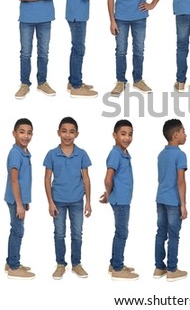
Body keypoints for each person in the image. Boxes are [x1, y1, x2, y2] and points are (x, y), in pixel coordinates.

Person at [43, 117, 92, 279]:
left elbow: (86, 178)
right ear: (58, 132)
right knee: (59, 233)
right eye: (64, 131)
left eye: (71, 132)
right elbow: (47, 179)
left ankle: (76, 264)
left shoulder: (82, 154)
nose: (67, 135)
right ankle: (60, 264)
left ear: (76, 134)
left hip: (77, 201)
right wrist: (50, 202)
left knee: (77, 233)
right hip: (58, 201)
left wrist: (88, 202)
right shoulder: (52, 154)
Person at [14, 0, 58, 99]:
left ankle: (42, 82)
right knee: (25, 52)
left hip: (45, 18)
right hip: (26, 19)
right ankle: (25, 83)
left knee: (43, 52)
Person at [99, 119, 139, 280]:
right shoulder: (115, 153)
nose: (127, 138)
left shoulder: (124, 153)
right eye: (123, 134)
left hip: (123, 199)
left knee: (120, 232)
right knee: (122, 232)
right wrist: (109, 193)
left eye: (130, 134)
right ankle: (117, 268)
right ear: (114, 135)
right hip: (120, 201)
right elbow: (108, 178)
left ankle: (115, 263)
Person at [66, 0, 101, 98]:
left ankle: (72, 81)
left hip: (82, 15)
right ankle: (77, 86)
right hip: (76, 15)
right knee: (79, 49)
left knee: (77, 48)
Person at [154, 119, 188, 282]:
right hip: (174, 201)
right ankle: (172, 269)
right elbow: (180, 180)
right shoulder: (180, 155)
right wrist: (183, 204)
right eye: (183, 132)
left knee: (161, 233)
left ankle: (159, 267)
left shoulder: (161, 154)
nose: (185, 135)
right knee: (173, 235)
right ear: (175, 135)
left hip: (160, 198)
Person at [4, 118, 35, 279]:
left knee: (15, 230)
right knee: (17, 231)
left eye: (29, 133)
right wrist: (19, 204)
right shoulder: (15, 153)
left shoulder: (25, 153)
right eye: (22, 132)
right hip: (15, 200)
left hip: (19, 200)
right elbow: (14, 179)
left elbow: (24, 180)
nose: (26, 136)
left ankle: (10, 262)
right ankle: (14, 268)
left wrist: (25, 201)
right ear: (14, 133)